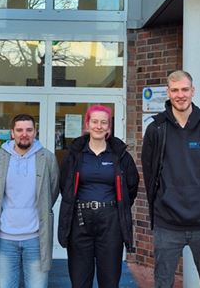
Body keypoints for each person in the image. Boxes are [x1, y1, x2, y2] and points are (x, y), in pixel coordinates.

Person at [141, 70, 200, 288]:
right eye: (175, 90)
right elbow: (150, 173)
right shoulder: (156, 129)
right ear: (168, 93)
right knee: (163, 283)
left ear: (193, 91)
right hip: (167, 224)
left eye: (185, 89)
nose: (180, 95)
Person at [58, 104, 139, 288]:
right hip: (80, 221)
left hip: (111, 222)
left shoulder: (121, 156)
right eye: (94, 121)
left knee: (109, 280)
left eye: (104, 122)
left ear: (109, 127)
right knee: (80, 280)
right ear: (87, 124)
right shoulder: (74, 155)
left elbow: (131, 187)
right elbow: (66, 187)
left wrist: (113, 206)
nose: (99, 126)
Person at [0, 114, 59, 288]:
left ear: (35, 132)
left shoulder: (47, 158)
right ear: (12, 133)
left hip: (35, 238)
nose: (24, 134)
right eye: (19, 130)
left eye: (29, 130)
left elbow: (53, 190)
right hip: (5, 238)